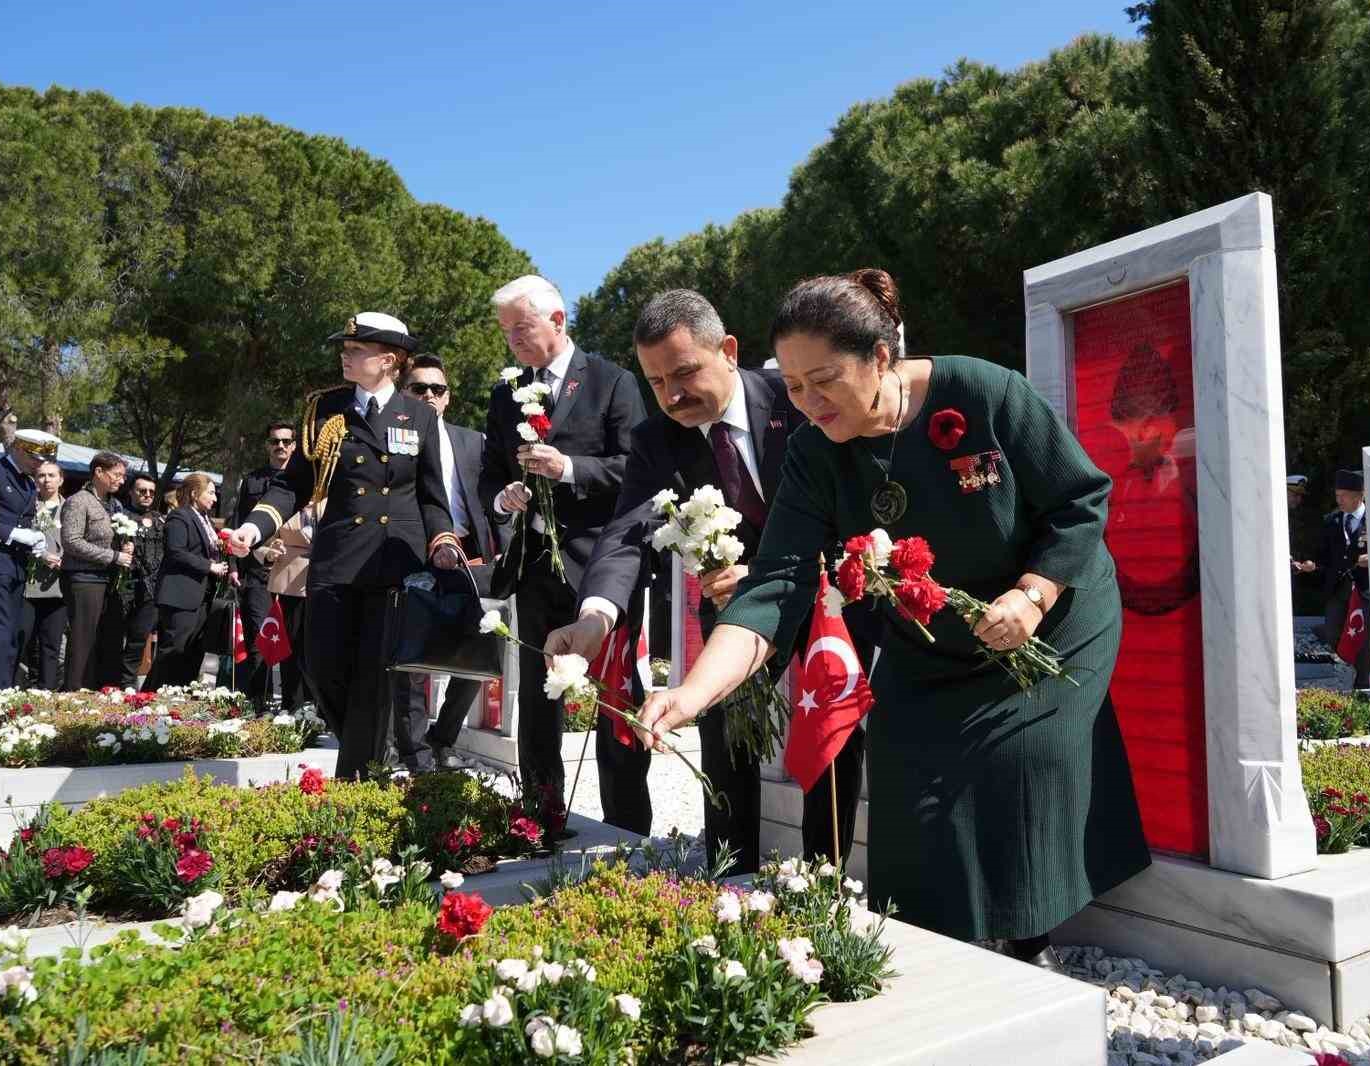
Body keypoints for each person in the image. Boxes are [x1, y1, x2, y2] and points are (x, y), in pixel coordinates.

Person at [634, 269, 1151, 962]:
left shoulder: (983, 392)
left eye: (823, 381)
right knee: (906, 768)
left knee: (1024, 758)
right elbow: (776, 585)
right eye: (792, 386)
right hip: (932, 635)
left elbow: (1080, 500)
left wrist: (1032, 595)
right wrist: (692, 691)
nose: (808, 403)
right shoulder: (816, 453)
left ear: (880, 356)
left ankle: (1030, 945)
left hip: (1050, 618)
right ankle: (935, 950)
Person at [544, 289, 872, 873]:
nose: (672, 395)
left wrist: (779, 569)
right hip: (732, 612)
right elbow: (625, 532)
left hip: (827, 597)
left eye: (685, 372)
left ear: (727, 350)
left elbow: (854, 507)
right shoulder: (655, 440)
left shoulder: (797, 401)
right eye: (656, 382)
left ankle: (825, 877)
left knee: (831, 730)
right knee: (724, 741)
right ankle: (732, 874)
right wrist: (595, 616)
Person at [225, 311, 459, 779]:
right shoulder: (326, 409)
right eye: (345, 348)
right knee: (321, 666)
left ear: (388, 360)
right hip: (337, 560)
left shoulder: (419, 417)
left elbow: (432, 494)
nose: (344, 355)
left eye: (356, 350)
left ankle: (359, 776)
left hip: (394, 562)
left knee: (374, 675)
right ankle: (367, 754)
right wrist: (254, 529)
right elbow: (293, 483)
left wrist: (443, 539)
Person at [479, 276, 644, 803]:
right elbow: (488, 471)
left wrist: (568, 467)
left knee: (614, 691)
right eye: (505, 332)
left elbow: (636, 469)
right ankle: (542, 811)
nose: (513, 342)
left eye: (521, 328)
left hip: (600, 563)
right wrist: (503, 498)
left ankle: (624, 821)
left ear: (558, 320)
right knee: (536, 690)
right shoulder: (506, 392)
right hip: (533, 565)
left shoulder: (612, 381)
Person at [390, 353, 495, 770]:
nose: (430, 395)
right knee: (412, 662)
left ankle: (442, 737)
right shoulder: (393, 439)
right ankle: (413, 753)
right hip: (415, 555)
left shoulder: (472, 440)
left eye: (438, 389)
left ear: (448, 397)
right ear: (403, 393)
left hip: (470, 558)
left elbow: (490, 501)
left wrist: (497, 548)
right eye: (420, 388)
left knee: (477, 653)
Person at [230, 421, 298, 705]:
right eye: (274, 441)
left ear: (295, 445)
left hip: (295, 570)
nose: (280, 446)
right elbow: (239, 521)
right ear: (267, 445)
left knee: (294, 640)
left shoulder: (306, 479)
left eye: (285, 441)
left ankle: (294, 707)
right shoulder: (253, 480)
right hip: (258, 570)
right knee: (261, 635)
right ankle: (259, 701)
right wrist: (234, 564)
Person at [142, 474, 230, 689]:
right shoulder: (180, 517)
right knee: (174, 651)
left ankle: (181, 700)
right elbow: (176, 552)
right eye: (210, 493)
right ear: (194, 493)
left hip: (201, 597)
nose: (214, 499)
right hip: (179, 596)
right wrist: (209, 566)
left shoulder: (205, 519)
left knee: (192, 652)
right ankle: (151, 699)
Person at [0, 430, 58, 690]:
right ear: (17, 448)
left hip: (16, 565)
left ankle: (3, 691)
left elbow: (23, 520)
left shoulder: (27, 483)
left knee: (13, 634)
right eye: (34, 457)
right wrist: (11, 533)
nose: (39, 464)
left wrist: (35, 542)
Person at [60, 451, 134, 690]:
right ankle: (75, 692)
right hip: (84, 579)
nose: (121, 481)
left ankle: (98, 690)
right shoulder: (79, 501)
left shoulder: (116, 504)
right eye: (117, 475)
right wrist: (113, 556)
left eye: (123, 476)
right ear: (98, 472)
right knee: (83, 640)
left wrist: (126, 544)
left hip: (109, 581)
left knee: (105, 640)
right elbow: (71, 541)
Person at [1314, 469, 1370, 690]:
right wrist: (1313, 565)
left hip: (1365, 589)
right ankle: (1350, 666)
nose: (1339, 500)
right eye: (1337, 496)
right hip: (1338, 588)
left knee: (1365, 636)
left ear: (1359, 495)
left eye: (1344, 496)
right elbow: (1322, 555)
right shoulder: (1331, 521)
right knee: (1332, 632)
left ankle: (1363, 681)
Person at [18, 460, 68, 689]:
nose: (46, 480)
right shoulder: (27, 506)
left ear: (61, 479)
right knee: (23, 639)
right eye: (41, 475)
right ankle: (16, 687)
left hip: (58, 587)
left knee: (51, 644)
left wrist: (66, 558)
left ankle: (46, 690)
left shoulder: (70, 508)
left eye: (51, 475)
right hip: (29, 585)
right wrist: (41, 555)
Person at [263, 504, 315, 711]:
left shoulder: (331, 503)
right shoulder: (287, 503)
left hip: (322, 581)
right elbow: (262, 544)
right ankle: (292, 703)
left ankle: (318, 705)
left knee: (317, 648)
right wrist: (271, 551)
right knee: (290, 645)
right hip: (289, 584)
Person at [119, 474, 165, 688]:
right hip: (124, 586)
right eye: (142, 490)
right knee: (119, 639)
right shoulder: (121, 516)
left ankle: (131, 687)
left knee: (139, 640)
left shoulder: (160, 520)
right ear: (131, 492)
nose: (147, 495)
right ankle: (118, 684)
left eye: (151, 492)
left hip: (153, 589)